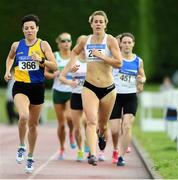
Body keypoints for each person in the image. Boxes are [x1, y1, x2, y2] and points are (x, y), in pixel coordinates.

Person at [4, 14, 57, 173]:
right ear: (23, 30)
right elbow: (10, 58)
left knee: (33, 125)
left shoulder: (43, 45)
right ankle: (21, 146)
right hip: (20, 86)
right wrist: (7, 71)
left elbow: (54, 66)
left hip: (37, 87)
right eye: (26, 28)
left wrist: (40, 60)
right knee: (24, 116)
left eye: (32, 28)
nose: (29, 30)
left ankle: (31, 156)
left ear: (37, 29)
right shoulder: (16, 45)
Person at [68, 10, 122, 166]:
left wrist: (102, 56)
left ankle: (102, 136)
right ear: (91, 24)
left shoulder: (110, 40)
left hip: (108, 89)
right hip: (89, 86)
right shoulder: (86, 40)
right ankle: (92, 154)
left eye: (101, 21)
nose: (98, 24)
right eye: (95, 21)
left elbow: (119, 63)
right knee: (91, 121)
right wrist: (73, 65)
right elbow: (74, 52)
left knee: (102, 125)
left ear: (105, 24)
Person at [110, 32, 146, 166]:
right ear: (120, 44)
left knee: (127, 125)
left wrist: (141, 80)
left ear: (133, 44)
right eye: (124, 42)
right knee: (114, 129)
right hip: (115, 96)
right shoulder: (115, 58)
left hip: (131, 96)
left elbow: (142, 76)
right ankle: (115, 149)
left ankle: (121, 156)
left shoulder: (138, 60)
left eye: (129, 42)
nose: (126, 45)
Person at [44, 32, 76, 160]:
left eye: (68, 40)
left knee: (69, 117)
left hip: (71, 91)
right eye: (63, 41)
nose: (66, 43)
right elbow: (46, 73)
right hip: (57, 91)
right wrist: (54, 75)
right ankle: (62, 148)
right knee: (61, 124)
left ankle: (72, 133)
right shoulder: (55, 56)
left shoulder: (74, 56)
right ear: (58, 43)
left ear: (71, 42)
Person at [60, 35, 88, 161]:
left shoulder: (94, 60)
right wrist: (70, 82)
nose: (83, 48)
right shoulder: (73, 60)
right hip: (76, 95)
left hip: (90, 96)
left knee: (90, 122)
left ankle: (91, 148)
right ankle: (80, 150)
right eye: (80, 45)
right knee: (77, 128)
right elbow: (61, 76)